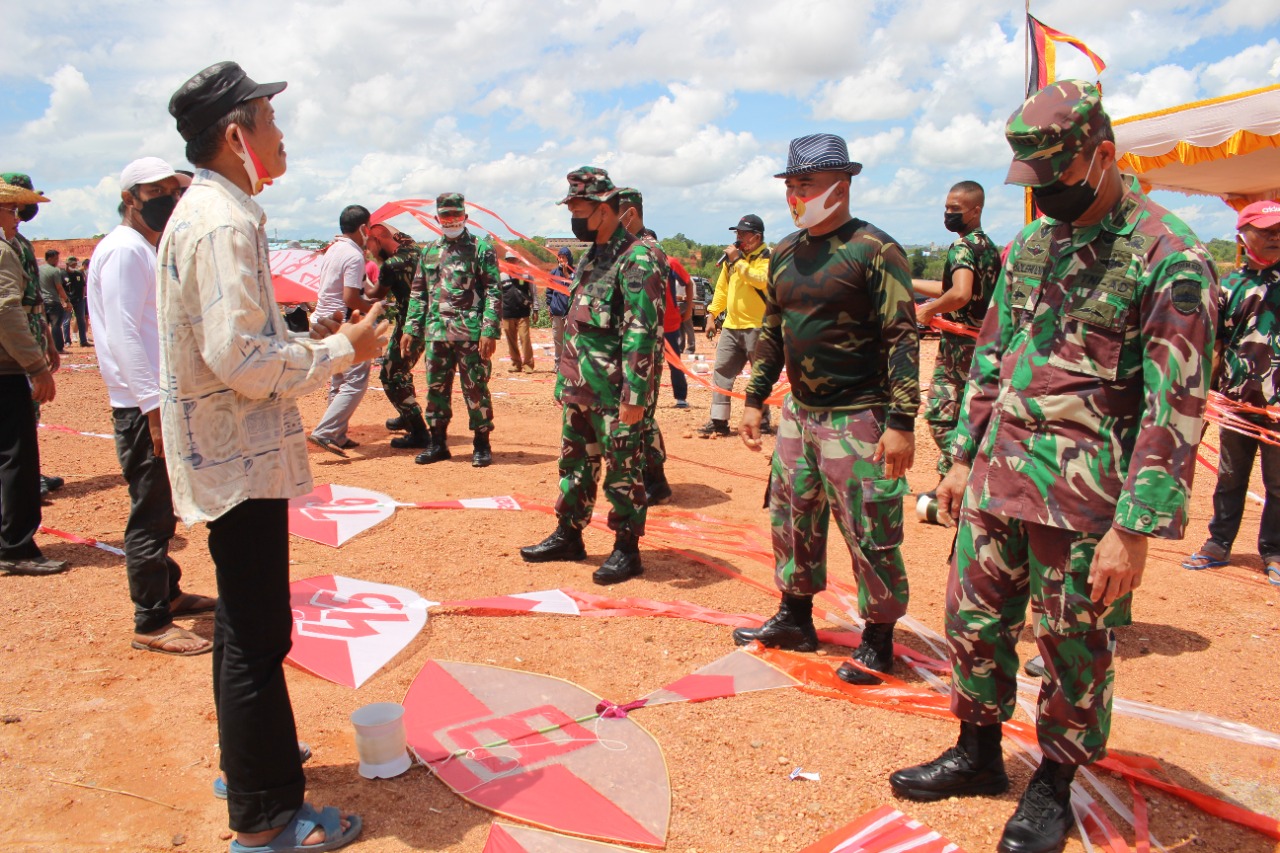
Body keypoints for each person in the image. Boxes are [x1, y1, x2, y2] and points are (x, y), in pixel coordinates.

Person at [889, 81, 1217, 853]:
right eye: (1033, 183)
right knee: (971, 619)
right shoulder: (1035, 246)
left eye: (1058, 180)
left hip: (1086, 502)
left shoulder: (1172, 257)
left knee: (1073, 645)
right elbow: (992, 358)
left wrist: (1133, 529)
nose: (1045, 197)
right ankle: (976, 752)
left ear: (1104, 157)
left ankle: (1054, 782)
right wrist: (961, 457)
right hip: (1001, 476)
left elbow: (1177, 405)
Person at [161, 60, 385, 851]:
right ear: (235, 134)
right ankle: (263, 820)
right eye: (269, 119)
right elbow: (243, 360)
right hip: (240, 463)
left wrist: (317, 343)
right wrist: (337, 348)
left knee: (240, 628)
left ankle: (249, 759)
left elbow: (242, 345)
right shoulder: (222, 221)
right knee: (258, 638)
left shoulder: (215, 211)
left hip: (230, 456)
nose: (280, 134)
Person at [730, 133, 918, 689]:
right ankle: (795, 616)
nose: (795, 195)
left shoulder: (874, 250)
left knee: (869, 528)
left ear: (842, 185)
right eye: (790, 185)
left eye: (805, 184)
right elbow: (773, 329)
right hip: (799, 413)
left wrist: (903, 423)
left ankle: (879, 638)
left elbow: (902, 337)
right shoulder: (785, 251)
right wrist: (754, 398)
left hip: (859, 415)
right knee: (791, 516)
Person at [89, 156, 216, 656]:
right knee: (151, 512)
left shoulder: (142, 247)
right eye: (156, 192)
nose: (168, 198)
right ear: (129, 199)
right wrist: (152, 409)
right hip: (145, 409)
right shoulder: (124, 251)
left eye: (172, 189)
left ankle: (170, 592)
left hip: (156, 403)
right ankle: (151, 619)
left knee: (164, 506)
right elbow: (123, 335)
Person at [520, 167, 665, 584]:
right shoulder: (591, 256)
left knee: (623, 470)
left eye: (579, 208)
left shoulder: (638, 257)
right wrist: (565, 382)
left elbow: (642, 332)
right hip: (581, 387)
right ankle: (569, 534)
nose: (573, 216)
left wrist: (635, 396)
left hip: (617, 393)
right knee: (574, 465)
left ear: (605, 210)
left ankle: (626, 549)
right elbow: (580, 324)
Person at [1183, 200, 1280, 583]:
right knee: (1230, 477)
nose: (1275, 238)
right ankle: (1218, 543)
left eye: (1279, 232)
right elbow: (1217, 345)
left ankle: (1273, 551)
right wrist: (1205, 397)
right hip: (1236, 403)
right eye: (1266, 231)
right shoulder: (1229, 287)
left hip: (1276, 409)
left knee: (1277, 482)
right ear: (1243, 235)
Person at [402, 192, 501, 468]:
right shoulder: (429, 251)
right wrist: (411, 327)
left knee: (475, 388)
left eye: (456, 217)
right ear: (437, 219)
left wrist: (489, 330)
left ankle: (481, 443)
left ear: (465, 217)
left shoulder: (481, 248)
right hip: (436, 332)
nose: (451, 221)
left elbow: (494, 289)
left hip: (470, 333)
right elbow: (419, 292)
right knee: (435, 389)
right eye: (446, 217)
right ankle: (438, 443)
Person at [0, 181, 67, 576]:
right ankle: (16, 547)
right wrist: (36, 366)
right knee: (16, 458)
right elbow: (7, 311)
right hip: (6, 368)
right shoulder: (4, 251)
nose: (17, 216)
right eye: (11, 209)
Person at [914, 181, 1001, 484]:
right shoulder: (987, 246)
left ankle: (962, 476)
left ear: (976, 210)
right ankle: (948, 487)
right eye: (947, 208)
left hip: (959, 346)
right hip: (981, 342)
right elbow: (954, 288)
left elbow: (960, 294)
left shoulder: (962, 247)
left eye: (955, 209)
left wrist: (928, 310)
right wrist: (911, 283)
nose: (948, 214)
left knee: (940, 417)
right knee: (966, 415)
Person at [615, 187, 674, 505]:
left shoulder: (646, 252)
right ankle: (653, 479)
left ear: (631, 214)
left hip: (643, 349)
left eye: (614, 214)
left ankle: (656, 481)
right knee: (641, 417)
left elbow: (641, 315)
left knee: (641, 416)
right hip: (631, 347)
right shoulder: (626, 249)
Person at [308, 205, 375, 457]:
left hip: (324, 319)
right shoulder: (354, 255)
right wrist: (373, 308)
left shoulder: (333, 249)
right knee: (355, 381)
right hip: (343, 321)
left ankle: (338, 434)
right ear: (362, 228)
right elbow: (350, 297)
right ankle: (326, 432)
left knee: (339, 378)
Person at [698, 214, 771, 437]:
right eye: (736, 233)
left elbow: (761, 280)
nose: (738, 237)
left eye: (743, 233)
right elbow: (721, 289)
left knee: (760, 376)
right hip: (731, 326)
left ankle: (762, 420)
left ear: (757, 237)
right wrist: (712, 315)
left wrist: (738, 261)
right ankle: (718, 421)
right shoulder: (731, 262)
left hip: (759, 327)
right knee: (721, 372)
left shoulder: (768, 257)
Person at [366, 224, 427, 449]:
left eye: (369, 244)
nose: (369, 252)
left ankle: (419, 432)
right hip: (428, 321)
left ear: (379, 239)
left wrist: (360, 276)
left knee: (391, 374)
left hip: (411, 324)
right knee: (403, 371)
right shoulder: (414, 249)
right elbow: (391, 232)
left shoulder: (392, 265)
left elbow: (375, 294)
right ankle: (407, 414)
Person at [499, 248, 538, 373]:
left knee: (524, 338)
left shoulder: (526, 274)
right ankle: (516, 363)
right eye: (509, 260)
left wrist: (535, 309)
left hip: (523, 313)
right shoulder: (501, 276)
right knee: (511, 341)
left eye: (513, 260)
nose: (511, 262)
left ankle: (528, 364)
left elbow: (534, 292)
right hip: (507, 313)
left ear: (518, 261)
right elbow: (498, 295)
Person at [666, 253, 694, 409]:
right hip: (645, 321)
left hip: (669, 322)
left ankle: (681, 397)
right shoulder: (634, 259)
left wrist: (689, 310)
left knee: (674, 361)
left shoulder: (670, 262)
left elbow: (688, 282)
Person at [39, 249, 71, 353]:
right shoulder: (55, 271)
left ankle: (42, 349)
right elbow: (59, 288)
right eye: (56, 258)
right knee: (56, 325)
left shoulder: (38, 269)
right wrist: (67, 301)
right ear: (50, 258)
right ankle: (58, 348)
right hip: (53, 301)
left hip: (41, 301)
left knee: (43, 326)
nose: (57, 261)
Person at [547, 246, 574, 364]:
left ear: (569, 259)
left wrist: (566, 273)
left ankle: (570, 365)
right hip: (557, 312)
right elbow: (549, 292)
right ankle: (558, 364)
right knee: (558, 340)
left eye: (564, 257)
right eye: (559, 257)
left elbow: (574, 287)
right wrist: (549, 307)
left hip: (570, 312)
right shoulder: (553, 273)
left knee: (570, 340)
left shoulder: (575, 272)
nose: (561, 260)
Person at [62, 256, 90, 347]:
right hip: (68, 300)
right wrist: (63, 301)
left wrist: (82, 297)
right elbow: (60, 288)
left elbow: (83, 286)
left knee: (81, 319)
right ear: (67, 264)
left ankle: (83, 341)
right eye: (72, 265)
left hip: (79, 300)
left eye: (75, 264)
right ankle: (67, 341)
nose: (74, 266)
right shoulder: (62, 274)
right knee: (67, 320)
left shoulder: (78, 274)